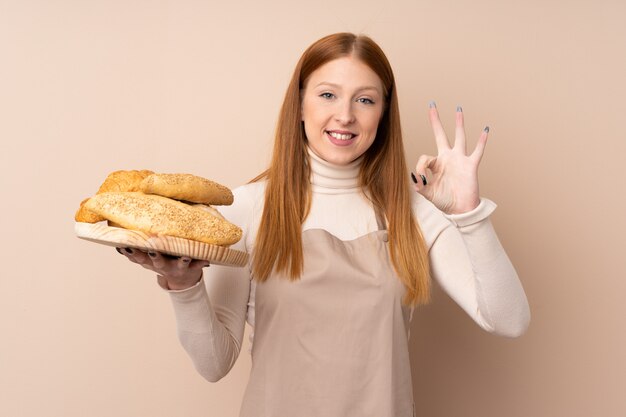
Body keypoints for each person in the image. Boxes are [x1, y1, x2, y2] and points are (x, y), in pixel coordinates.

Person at [117, 32, 530, 417]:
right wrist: (183, 288)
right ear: (300, 105)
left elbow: (508, 320)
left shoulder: (414, 213)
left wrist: (467, 213)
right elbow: (215, 363)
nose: (345, 115)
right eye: (328, 95)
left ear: (384, 114)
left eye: (365, 100)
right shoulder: (247, 207)